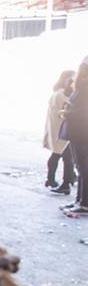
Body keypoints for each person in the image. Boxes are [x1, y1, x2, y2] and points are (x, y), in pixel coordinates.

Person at [60, 57, 88, 214]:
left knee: (83, 167)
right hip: (80, 131)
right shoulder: (82, 84)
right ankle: (79, 200)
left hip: (81, 131)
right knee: (80, 167)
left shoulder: (85, 85)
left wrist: (67, 114)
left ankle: (84, 203)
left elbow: (83, 111)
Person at [44, 70, 76, 194]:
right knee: (67, 158)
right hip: (63, 131)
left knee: (58, 156)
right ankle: (65, 183)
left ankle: (53, 180)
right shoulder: (64, 95)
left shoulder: (56, 93)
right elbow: (66, 113)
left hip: (56, 131)